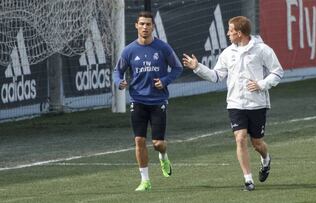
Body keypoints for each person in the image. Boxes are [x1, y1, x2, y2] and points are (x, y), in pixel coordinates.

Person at [182, 16, 283, 191]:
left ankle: (266, 160)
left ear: (240, 32)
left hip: (257, 104)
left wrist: (261, 84)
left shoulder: (262, 50)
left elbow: (278, 71)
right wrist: (197, 67)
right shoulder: (227, 53)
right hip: (235, 104)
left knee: (257, 143)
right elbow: (216, 76)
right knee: (240, 138)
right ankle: (248, 180)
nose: (228, 33)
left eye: (230, 30)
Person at [113, 11, 183, 191]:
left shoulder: (163, 48)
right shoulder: (129, 50)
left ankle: (163, 156)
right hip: (137, 101)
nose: (145, 27)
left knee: (158, 144)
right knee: (139, 140)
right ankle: (145, 181)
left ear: (153, 27)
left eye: (148, 24)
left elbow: (177, 67)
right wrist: (119, 82)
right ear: (136, 25)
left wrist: (165, 81)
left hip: (158, 101)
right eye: (142, 24)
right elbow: (117, 71)